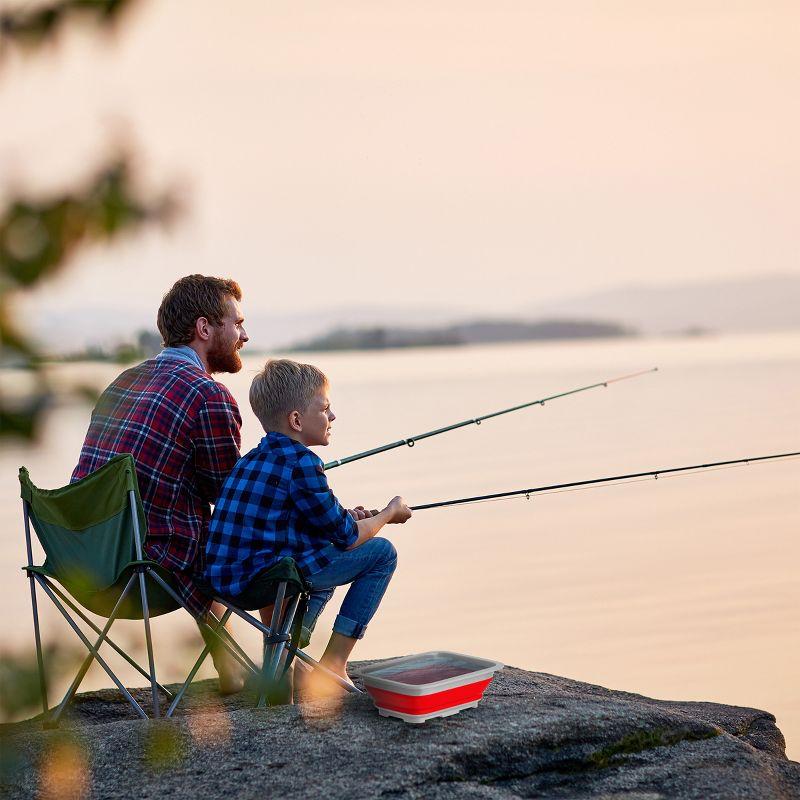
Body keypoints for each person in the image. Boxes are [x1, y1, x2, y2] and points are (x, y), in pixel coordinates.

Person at [72, 274, 249, 692]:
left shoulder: (123, 381)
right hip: (143, 573)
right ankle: (280, 673)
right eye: (237, 323)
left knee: (188, 527)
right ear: (205, 329)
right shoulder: (208, 395)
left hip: (83, 563)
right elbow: (229, 502)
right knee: (251, 534)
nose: (245, 334)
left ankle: (232, 668)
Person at [204, 358, 412, 697]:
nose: (332, 417)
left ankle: (288, 661)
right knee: (382, 554)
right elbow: (346, 537)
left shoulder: (250, 460)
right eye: (325, 409)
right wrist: (389, 513)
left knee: (319, 552)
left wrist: (349, 515)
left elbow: (294, 519)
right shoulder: (302, 463)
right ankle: (333, 663)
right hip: (269, 581)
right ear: (297, 420)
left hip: (225, 584)